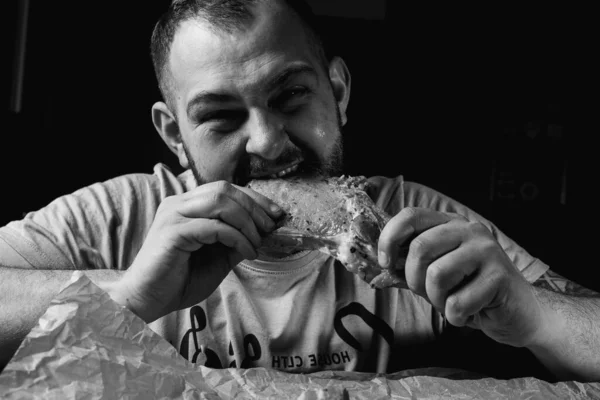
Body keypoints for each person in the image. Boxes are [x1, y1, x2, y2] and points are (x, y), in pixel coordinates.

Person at [0, 0, 598, 382]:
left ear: (337, 93)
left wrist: (533, 314)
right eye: (220, 117)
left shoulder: (416, 222)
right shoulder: (117, 218)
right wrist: (125, 295)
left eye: (290, 97)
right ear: (174, 133)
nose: (266, 142)